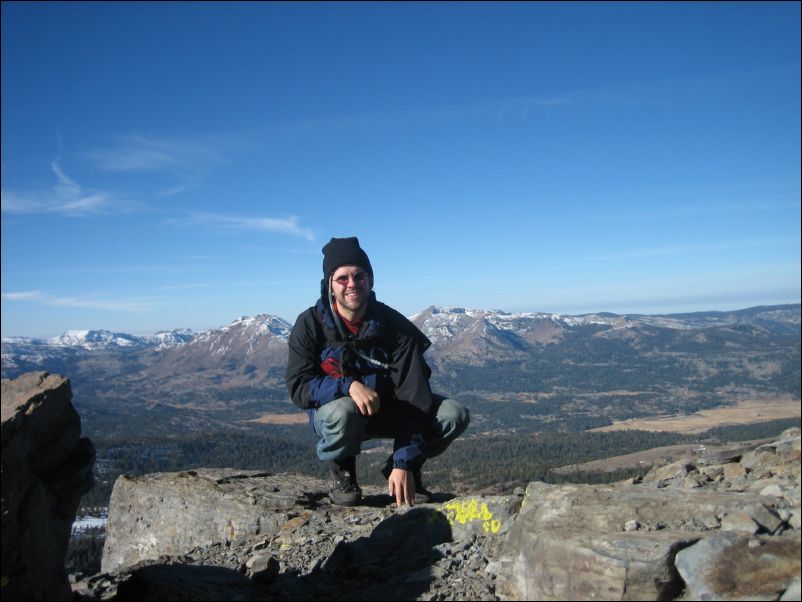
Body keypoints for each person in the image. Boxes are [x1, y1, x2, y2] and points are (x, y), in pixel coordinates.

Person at [286, 236, 470, 507]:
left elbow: (415, 395)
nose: (352, 284)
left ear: (370, 280)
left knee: (453, 414)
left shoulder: (394, 326)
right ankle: (343, 473)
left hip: (389, 410)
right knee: (343, 411)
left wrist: (404, 460)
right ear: (330, 285)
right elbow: (299, 387)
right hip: (341, 415)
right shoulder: (310, 324)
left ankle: (404, 472)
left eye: (359, 276)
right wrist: (346, 386)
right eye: (343, 278)